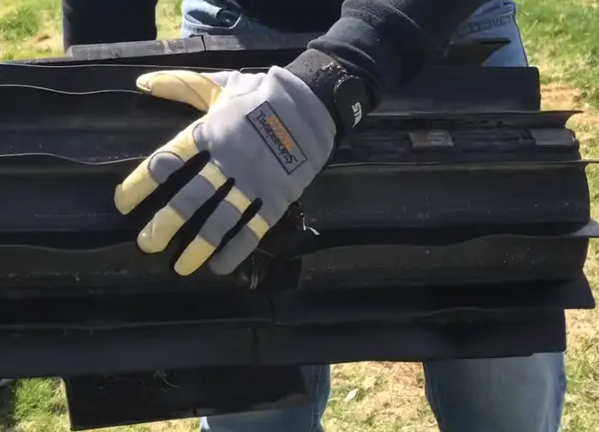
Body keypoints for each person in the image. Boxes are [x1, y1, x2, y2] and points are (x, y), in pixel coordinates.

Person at [110, 1, 567, 432]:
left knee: (500, 390)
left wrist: (338, 74)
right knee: (252, 410)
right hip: (234, 34)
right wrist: (106, 92)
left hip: (440, 25)